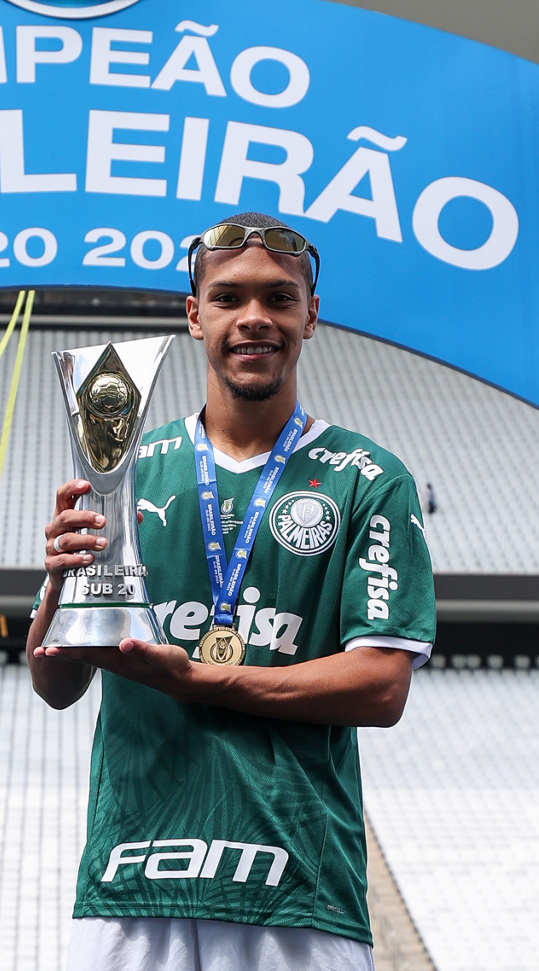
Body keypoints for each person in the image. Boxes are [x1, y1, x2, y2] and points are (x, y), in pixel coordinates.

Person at [28, 212, 436, 971]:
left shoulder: (369, 479)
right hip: (131, 883)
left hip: (297, 891)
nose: (254, 318)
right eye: (228, 298)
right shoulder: (127, 470)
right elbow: (56, 685)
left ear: (310, 315)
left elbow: (382, 688)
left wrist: (197, 680)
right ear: (196, 316)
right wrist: (61, 587)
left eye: (279, 298)